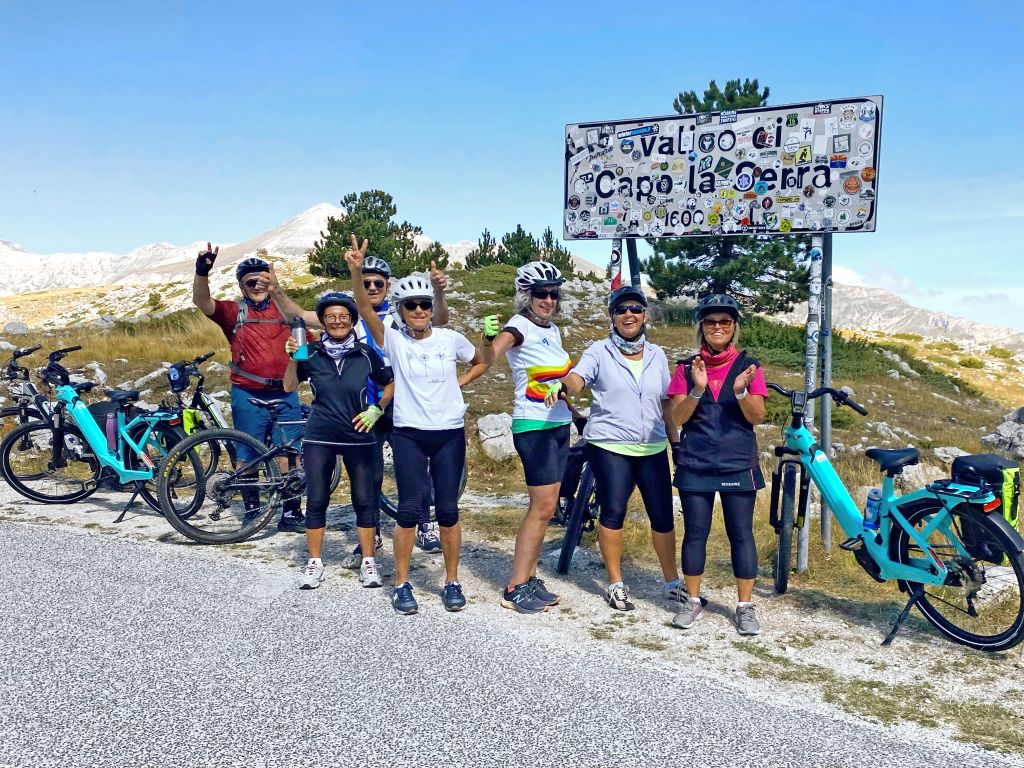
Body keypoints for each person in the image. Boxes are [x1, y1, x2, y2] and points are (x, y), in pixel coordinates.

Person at [263, 255, 450, 560]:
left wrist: (439, 292)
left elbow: (438, 321)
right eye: (366, 283)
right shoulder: (348, 315)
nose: (372, 287)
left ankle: (424, 524)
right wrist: (276, 291)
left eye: (378, 282)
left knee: (415, 469)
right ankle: (371, 532)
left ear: (388, 285)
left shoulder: (401, 313)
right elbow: (297, 315)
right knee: (370, 474)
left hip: (402, 402)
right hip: (363, 408)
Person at [347, 235, 496, 615]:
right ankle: (401, 583)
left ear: (431, 308)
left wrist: (462, 380)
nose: (418, 310)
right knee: (409, 510)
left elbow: (482, 360)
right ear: (400, 309)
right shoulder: (395, 341)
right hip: (409, 434)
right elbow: (363, 309)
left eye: (424, 304)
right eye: (410, 305)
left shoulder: (449, 338)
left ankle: (452, 580)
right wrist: (356, 271)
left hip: (449, 434)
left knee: (447, 510)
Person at [559, 286, 681, 611]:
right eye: (622, 309)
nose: (629, 314)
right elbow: (578, 378)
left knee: (662, 516)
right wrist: (564, 386)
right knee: (614, 511)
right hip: (610, 444)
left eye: (636, 309)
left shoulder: (657, 355)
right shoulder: (599, 351)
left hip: (652, 446)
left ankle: (672, 583)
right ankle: (615, 583)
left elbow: (665, 404)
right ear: (612, 316)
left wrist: (676, 442)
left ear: (645, 315)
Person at [668, 294, 768, 636]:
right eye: (710, 321)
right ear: (702, 326)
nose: (717, 327)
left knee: (741, 533)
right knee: (696, 533)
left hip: (737, 462)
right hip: (695, 462)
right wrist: (697, 389)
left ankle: (745, 606)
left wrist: (741, 392)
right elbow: (678, 418)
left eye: (725, 321)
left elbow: (757, 416)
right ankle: (693, 601)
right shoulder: (685, 369)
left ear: (734, 326)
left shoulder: (749, 367)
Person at [283, 292, 393, 590]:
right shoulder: (310, 352)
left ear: (353, 321)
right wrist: (293, 358)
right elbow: (289, 386)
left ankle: (368, 561)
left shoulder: (365, 353)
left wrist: (378, 408)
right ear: (322, 321)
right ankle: (314, 563)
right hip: (320, 435)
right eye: (330, 317)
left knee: (364, 500)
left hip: (359, 433)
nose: (337, 321)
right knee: (317, 499)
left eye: (343, 316)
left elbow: (391, 382)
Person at [192, 244, 305, 532]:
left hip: (286, 392)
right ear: (242, 286)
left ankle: (291, 513)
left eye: (262, 281)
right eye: (250, 282)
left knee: (290, 454)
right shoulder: (234, 312)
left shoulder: (287, 312)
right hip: (248, 393)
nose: (257, 286)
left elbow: (308, 347)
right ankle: (253, 513)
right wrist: (202, 272)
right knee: (247, 455)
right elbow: (203, 302)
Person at [488, 261, 573, 614]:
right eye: (541, 294)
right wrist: (487, 339)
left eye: (554, 294)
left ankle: (530, 577)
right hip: (534, 426)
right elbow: (490, 356)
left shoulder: (552, 330)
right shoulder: (518, 326)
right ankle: (515, 587)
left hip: (558, 423)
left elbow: (558, 378)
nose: (548, 300)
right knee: (541, 508)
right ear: (527, 295)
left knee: (548, 508)